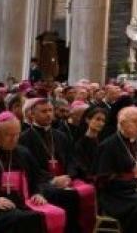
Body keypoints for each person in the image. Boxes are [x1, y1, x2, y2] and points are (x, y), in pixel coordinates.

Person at [19, 97, 95, 233]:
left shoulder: (61, 136)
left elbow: (72, 160)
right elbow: (30, 168)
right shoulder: (24, 138)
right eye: (43, 111)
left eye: (50, 110)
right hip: (42, 183)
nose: (48, 114)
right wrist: (52, 180)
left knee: (88, 190)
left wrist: (69, 176)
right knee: (62, 195)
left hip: (65, 179)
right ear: (32, 114)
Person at [0, 112, 56, 233]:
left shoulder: (23, 152)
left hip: (21, 203)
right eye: (8, 135)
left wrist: (37, 193)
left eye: (17, 135)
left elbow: (37, 178)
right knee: (22, 219)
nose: (14, 140)